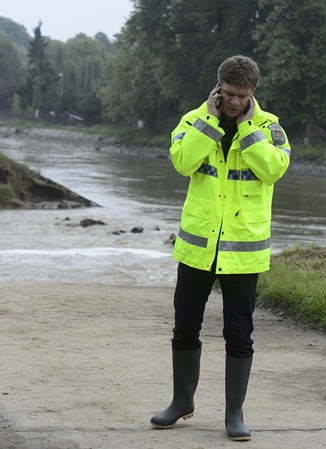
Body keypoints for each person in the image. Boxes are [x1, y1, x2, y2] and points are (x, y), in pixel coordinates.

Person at [150, 55, 291, 441]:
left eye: (242, 96)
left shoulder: (269, 127)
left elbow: (274, 170)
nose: (234, 102)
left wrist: (247, 130)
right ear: (218, 89)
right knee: (185, 327)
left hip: (243, 253)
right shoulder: (194, 121)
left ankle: (235, 414)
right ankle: (181, 402)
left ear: (252, 93)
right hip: (198, 249)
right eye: (229, 95)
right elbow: (182, 162)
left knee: (239, 333)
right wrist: (210, 124)